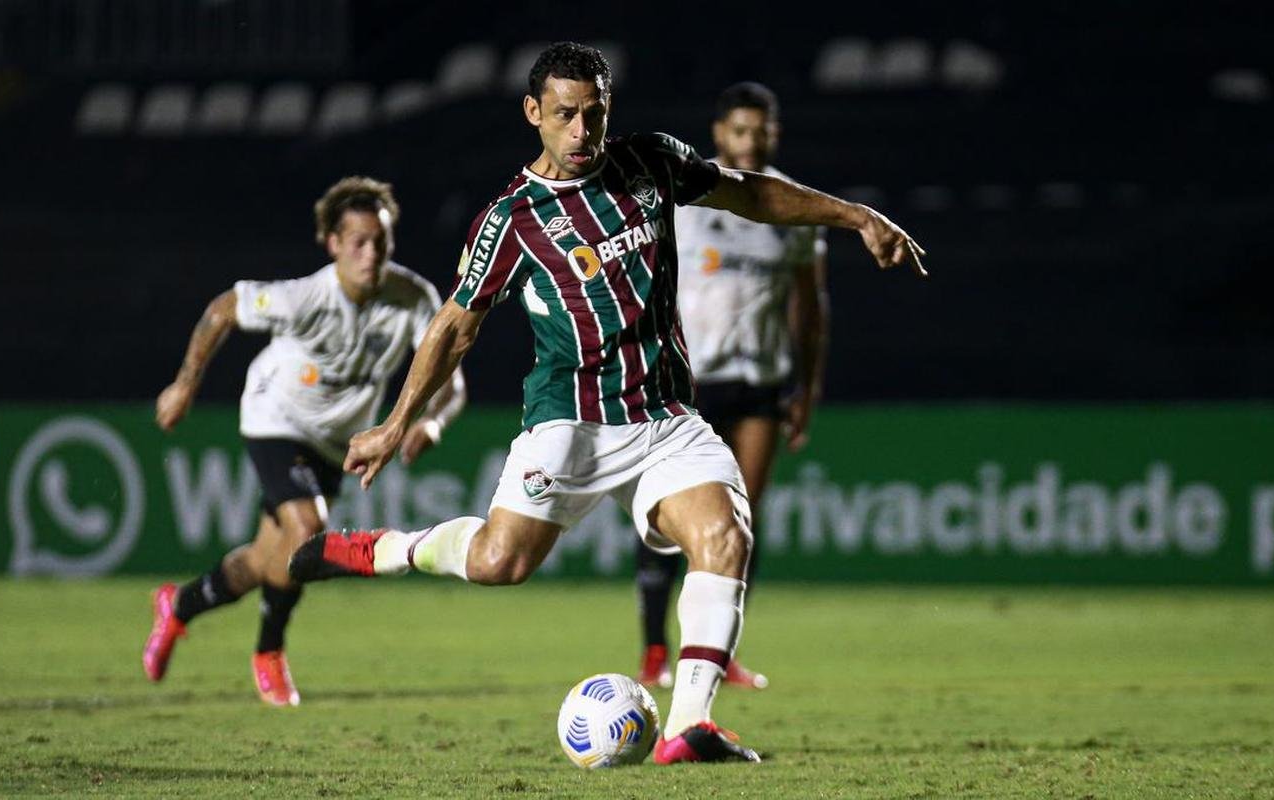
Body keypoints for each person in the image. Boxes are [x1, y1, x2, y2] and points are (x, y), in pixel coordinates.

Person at [288, 42, 924, 762]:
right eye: (565, 116)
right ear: (534, 114)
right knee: (501, 563)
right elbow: (457, 326)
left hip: (664, 419)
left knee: (727, 538)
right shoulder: (511, 219)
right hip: (571, 424)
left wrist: (854, 216)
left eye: (594, 114)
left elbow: (746, 190)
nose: (582, 131)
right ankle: (384, 551)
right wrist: (396, 421)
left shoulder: (649, 161)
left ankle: (687, 728)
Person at [141, 176, 467, 706]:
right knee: (308, 527)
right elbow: (224, 308)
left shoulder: (412, 299)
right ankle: (269, 653)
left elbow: (450, 384)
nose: (371, 254)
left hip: (335, 445)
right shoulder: (305, 297)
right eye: (358, 242)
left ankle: (177, 607)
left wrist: (431, 424)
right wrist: (185, 383)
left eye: (380, 241)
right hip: (275, 418)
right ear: (333, 244)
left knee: (268, 561)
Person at [634, 82, 829, 692]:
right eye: (739, 131)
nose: (749, 142)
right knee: (670, 518)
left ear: (774, 134)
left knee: (741, 521)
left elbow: (809, 306)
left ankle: (717, 653)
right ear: (719, 134)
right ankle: (655, 651)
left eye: (760, 132)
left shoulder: (788, 207)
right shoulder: (689, 201)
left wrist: (809, 384)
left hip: (762, 382)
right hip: (691, 382)